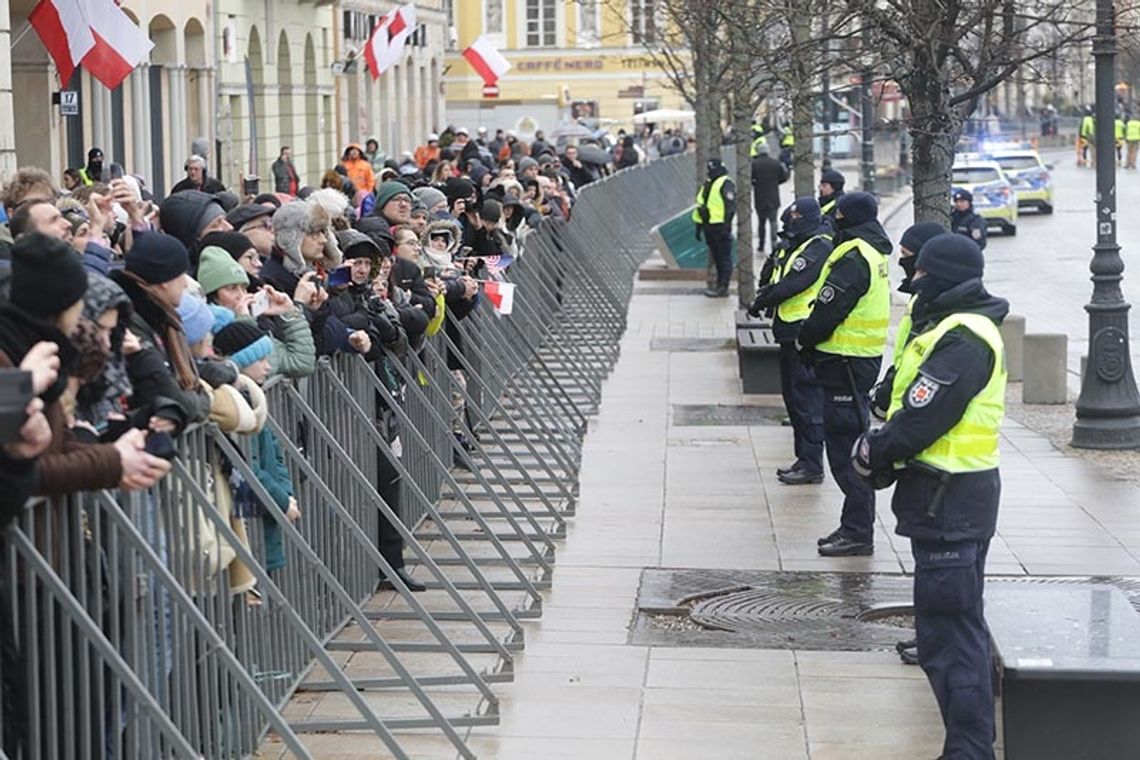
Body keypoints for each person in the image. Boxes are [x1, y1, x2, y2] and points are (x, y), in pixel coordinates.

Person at [852, 233, 1007, 759]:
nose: (913, 280)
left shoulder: (964, 338)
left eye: (920, 273)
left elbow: (924, 414)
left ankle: (968, 752)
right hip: (949, 501)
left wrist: (876, 450)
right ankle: (971, 744)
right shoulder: (953, 328)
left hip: (950, 505)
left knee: (948, 637)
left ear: (940, 278)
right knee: (957, 628)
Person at [797, 192, 891, 557]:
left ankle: (857, 531)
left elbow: (828, 310)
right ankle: (853, 526)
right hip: (856, 360)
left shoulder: (854, 256)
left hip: (845, 361)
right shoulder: (871, 249)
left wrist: (806, 341)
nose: (832, 219)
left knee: (846, 450)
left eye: (836, 215)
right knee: (848, 444)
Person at [748, 198, 830, 485]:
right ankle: (804, 459)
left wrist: (763, 300)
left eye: (796, 216)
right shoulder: (798, 242)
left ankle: (812, 463)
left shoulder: (818, 246)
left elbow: (795, 283)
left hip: (802, 331)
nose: (791, 220)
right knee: (794, 399)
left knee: (806, 399)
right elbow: (777, 273)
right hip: (787, 329)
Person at [692, 157, 736, 298]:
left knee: (724, 257)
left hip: (720, 226)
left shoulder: (725, 182)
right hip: (709, 226)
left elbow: (730, 206)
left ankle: (723, 286)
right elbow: (701, 205)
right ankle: (719, 284)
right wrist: (698, 226)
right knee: (717, 257)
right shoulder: (708, 184)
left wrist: (726, 224)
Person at [750, 142, 789, 254]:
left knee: (761, 222)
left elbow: (750, 178)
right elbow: (784, 177)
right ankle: (773, 243)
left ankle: (761, 244)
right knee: (773, 221)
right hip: (773, 196)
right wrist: (775, 182)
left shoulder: (754, 164)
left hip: (760, 197)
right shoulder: (776, 163)